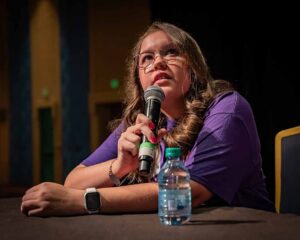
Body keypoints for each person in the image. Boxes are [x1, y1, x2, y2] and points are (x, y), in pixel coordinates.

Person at [21, 22, 275, 217]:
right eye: (147, 58)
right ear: (139, 80)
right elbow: (73, 181)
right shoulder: (140, 122)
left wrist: (84, 201)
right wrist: (120, 166)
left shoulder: (227, 109)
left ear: (193, 67)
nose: (159, 63)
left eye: (171, 52)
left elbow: (188, 192)